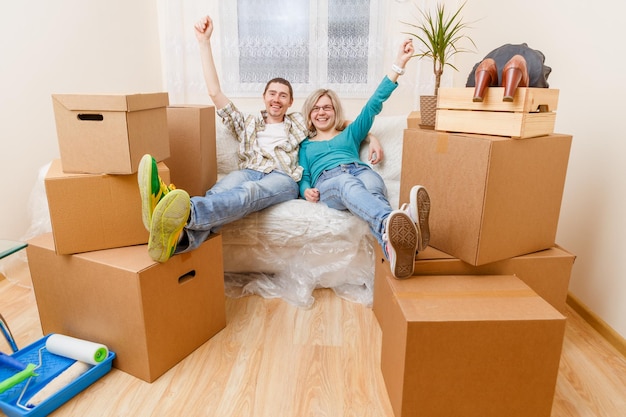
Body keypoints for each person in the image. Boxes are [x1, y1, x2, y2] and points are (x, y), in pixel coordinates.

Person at [138, 15, 310, 263]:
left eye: (283, 95)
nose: (277, 98)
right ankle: (178, 240)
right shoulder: (247, 122)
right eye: (272, 93)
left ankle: (184, 212)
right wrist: (204, 42)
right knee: (217, 193)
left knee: (250, 192)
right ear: (264, 96)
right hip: (250, 169)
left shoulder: (300, 123)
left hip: (282, 178)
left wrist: (372, 137)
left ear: (291, 102)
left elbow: (341, 124)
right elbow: (214, 92)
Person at [298, 38, 431, 279]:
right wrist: (306, 189)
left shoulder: (350, 133)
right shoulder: (304, 146)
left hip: (360, 171)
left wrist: (398, 64)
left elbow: (373, 105)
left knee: (374, 190)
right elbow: (303, 176)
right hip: (331, 183)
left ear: (335, 111)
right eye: (316, 108)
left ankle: (397, 251)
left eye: (327, 107)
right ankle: (392, 222)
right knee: (346, 183)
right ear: (309, 114)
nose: (321, 112)